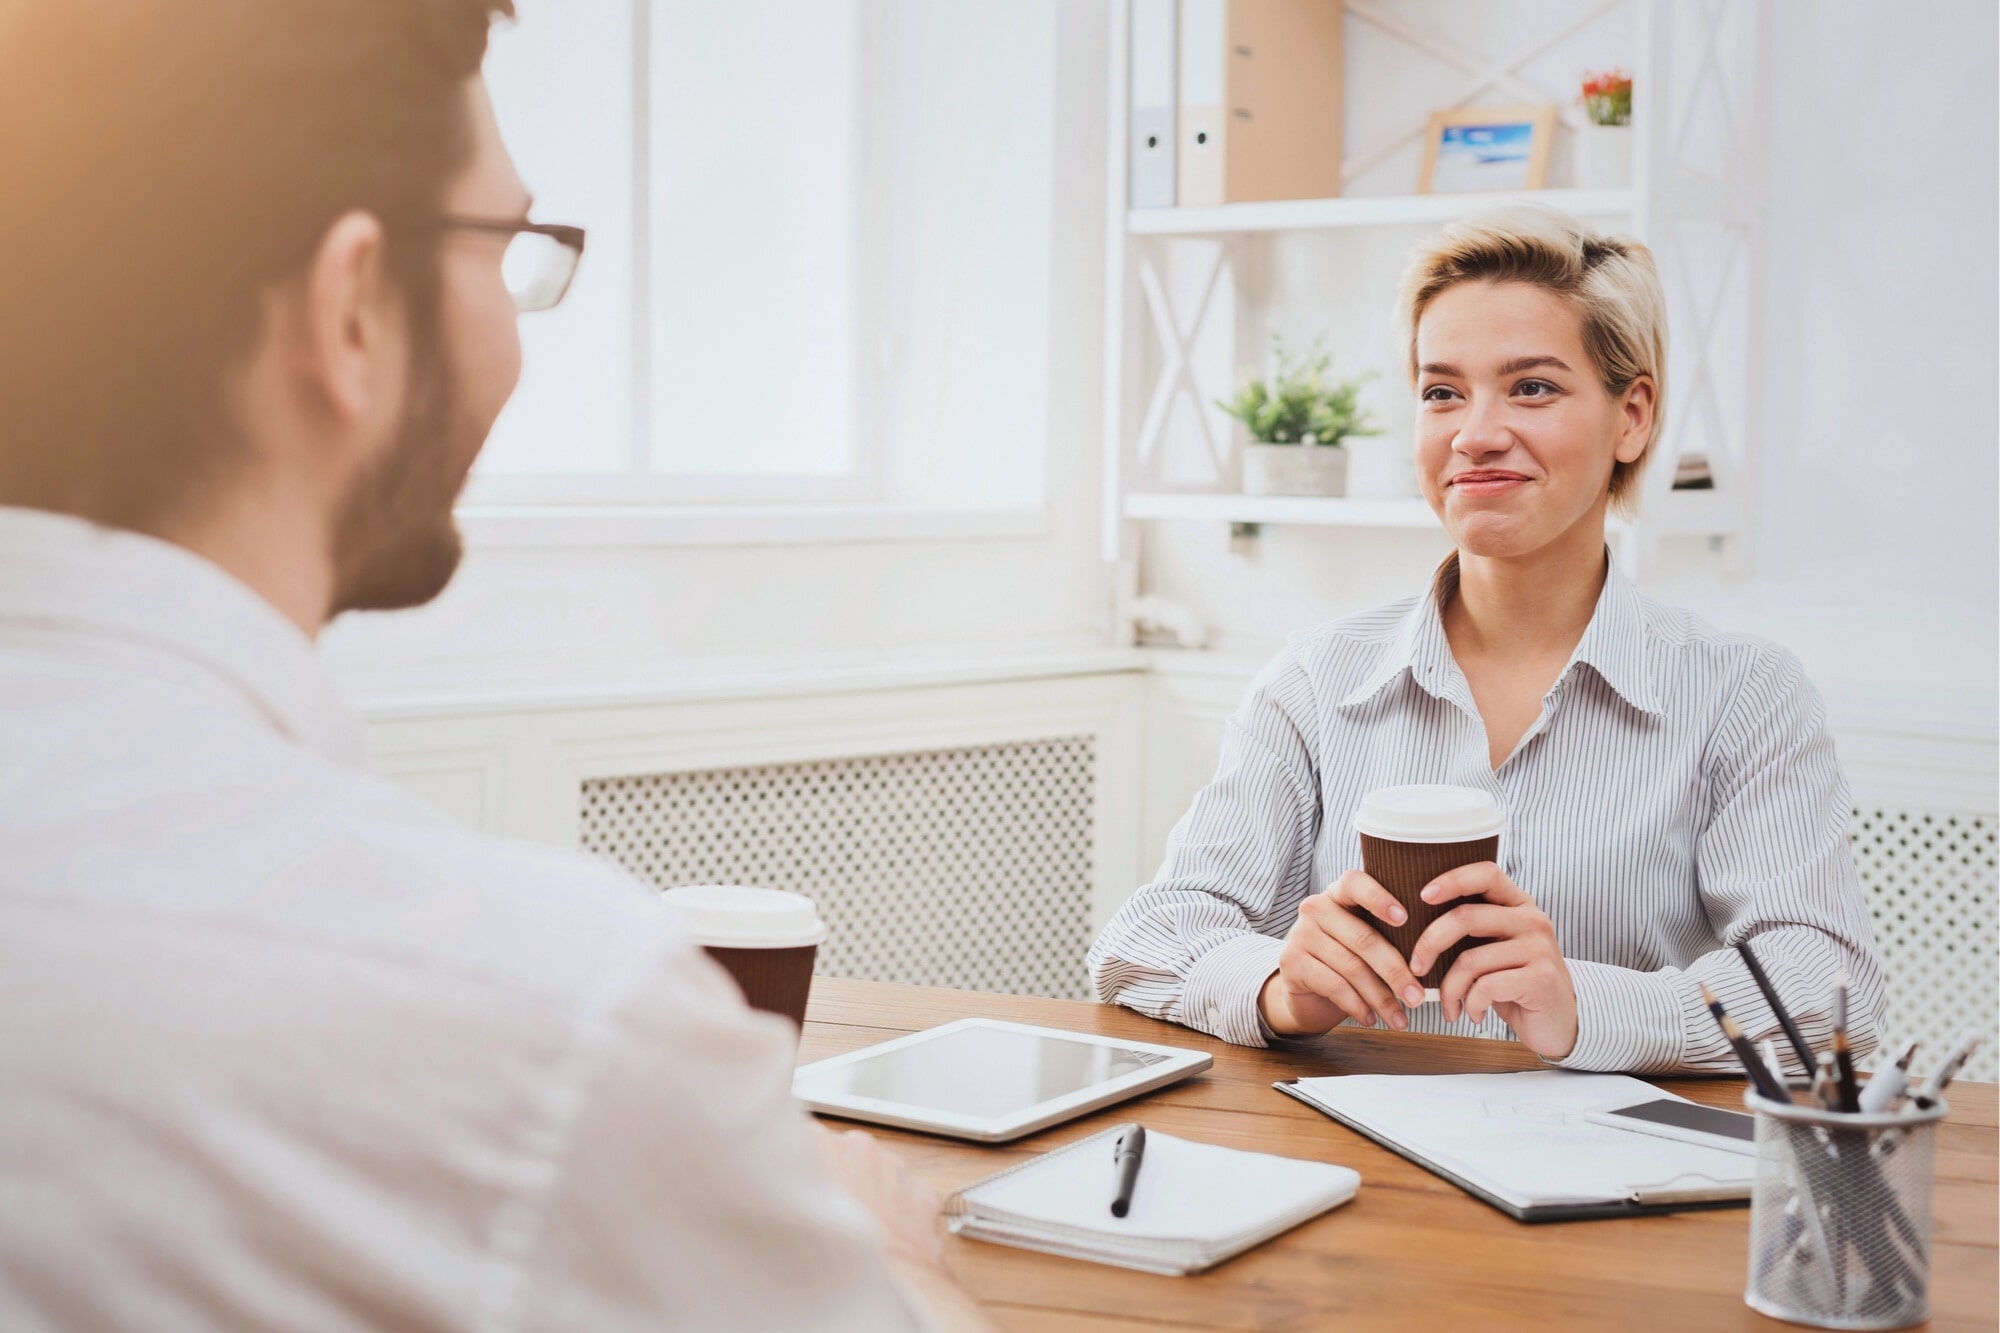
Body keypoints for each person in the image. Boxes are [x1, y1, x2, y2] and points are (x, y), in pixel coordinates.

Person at [0, 3, 990, 1329]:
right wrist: (890, 1251)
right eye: (505, 247)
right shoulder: (558, 1024)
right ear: (352, 307)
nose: (519, 323)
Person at [1089, 207, 1884, 1074]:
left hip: (1609, 1185)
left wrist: (1585, 1005)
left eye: (1532, 387)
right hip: (1357, 1173)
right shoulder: (1318, 680)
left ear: (1633, 417)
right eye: (1442, 391)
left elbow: (1827, 986)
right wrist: (1282, 985)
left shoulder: (1743, 695)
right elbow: (1148, 938)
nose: (1474, 433)